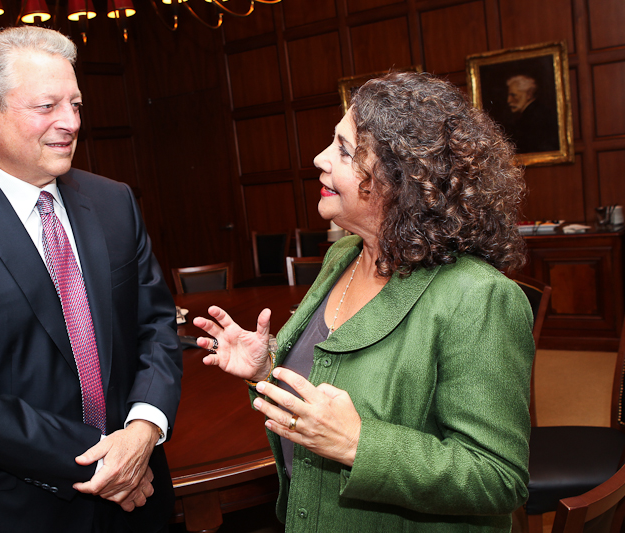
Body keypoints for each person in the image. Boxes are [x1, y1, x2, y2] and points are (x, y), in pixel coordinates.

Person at [194, 71, 534, 532]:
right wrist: (266, 367)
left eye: (344, 150)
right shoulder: (343, 255)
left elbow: (498, 478)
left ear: (401, 180)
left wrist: (359, 444)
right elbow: (330, 389)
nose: (318, 158)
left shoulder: (479, 298)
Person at [0, 27, 183, 533]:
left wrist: (145, 428)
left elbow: (155, 326)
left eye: (76, 104)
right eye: (47, 106)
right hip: (17, 507)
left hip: (141, 493)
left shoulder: (114, 203)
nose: (69, 123)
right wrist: (109, 464)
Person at [505, 74, 559, 153]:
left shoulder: (534, 117)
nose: (509, 100)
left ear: (529, 94)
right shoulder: (529, 115)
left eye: (513, 95)